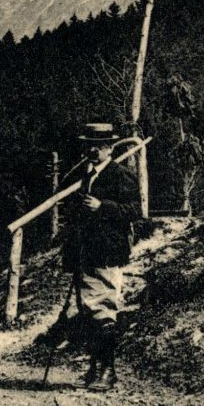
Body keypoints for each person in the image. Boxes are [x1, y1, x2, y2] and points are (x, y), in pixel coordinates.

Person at [62, 122, 141, 391]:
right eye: (89, 146)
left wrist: (102, 206)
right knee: (88, 310)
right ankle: (95, 367)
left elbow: (134, 211)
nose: (93, 150)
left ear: (109, 147)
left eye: (99, 145)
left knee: (104, 309)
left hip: (107, 252)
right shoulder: (88, 175)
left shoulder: (120, 175)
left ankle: (108, 371)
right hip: (87, 253)